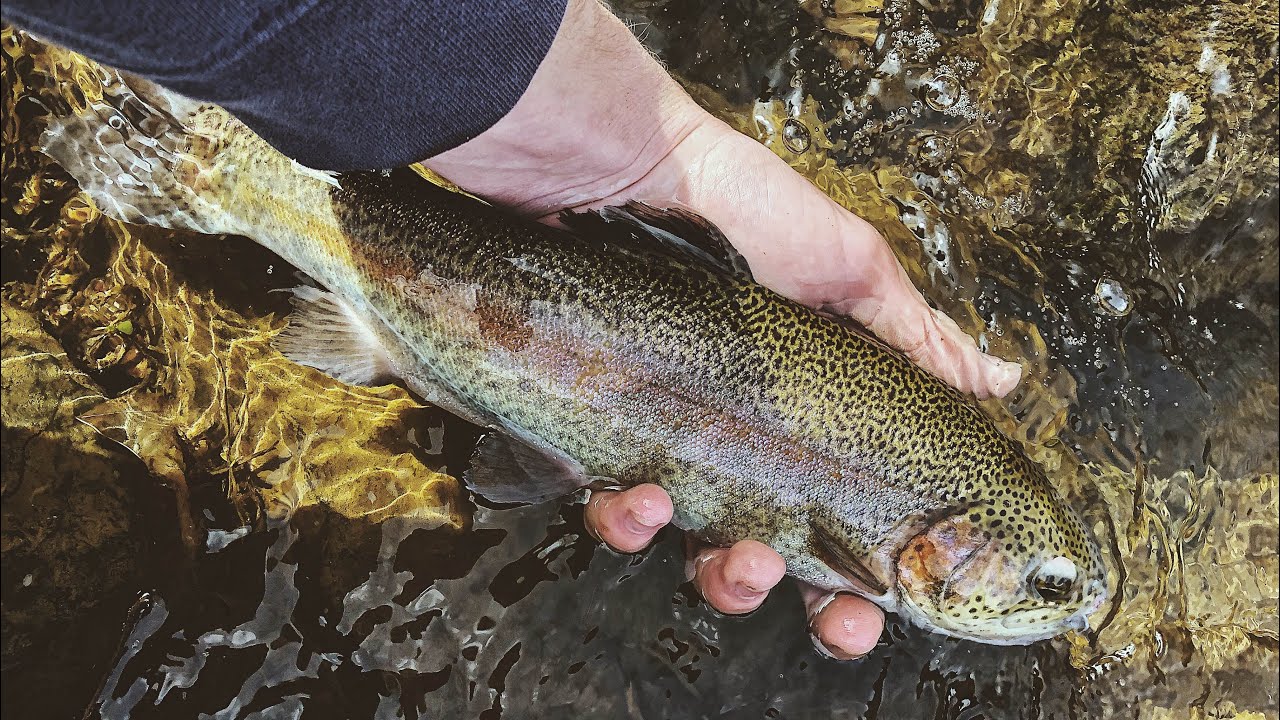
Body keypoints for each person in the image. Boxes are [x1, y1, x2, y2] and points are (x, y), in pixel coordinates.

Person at [3, 0, 1021, 660]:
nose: (1051, 606)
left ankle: (220, 153)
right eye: (1041, 583)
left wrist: (595, 115)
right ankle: (229, 170)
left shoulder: (897, 521)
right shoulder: (873, 553)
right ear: (956, 546)